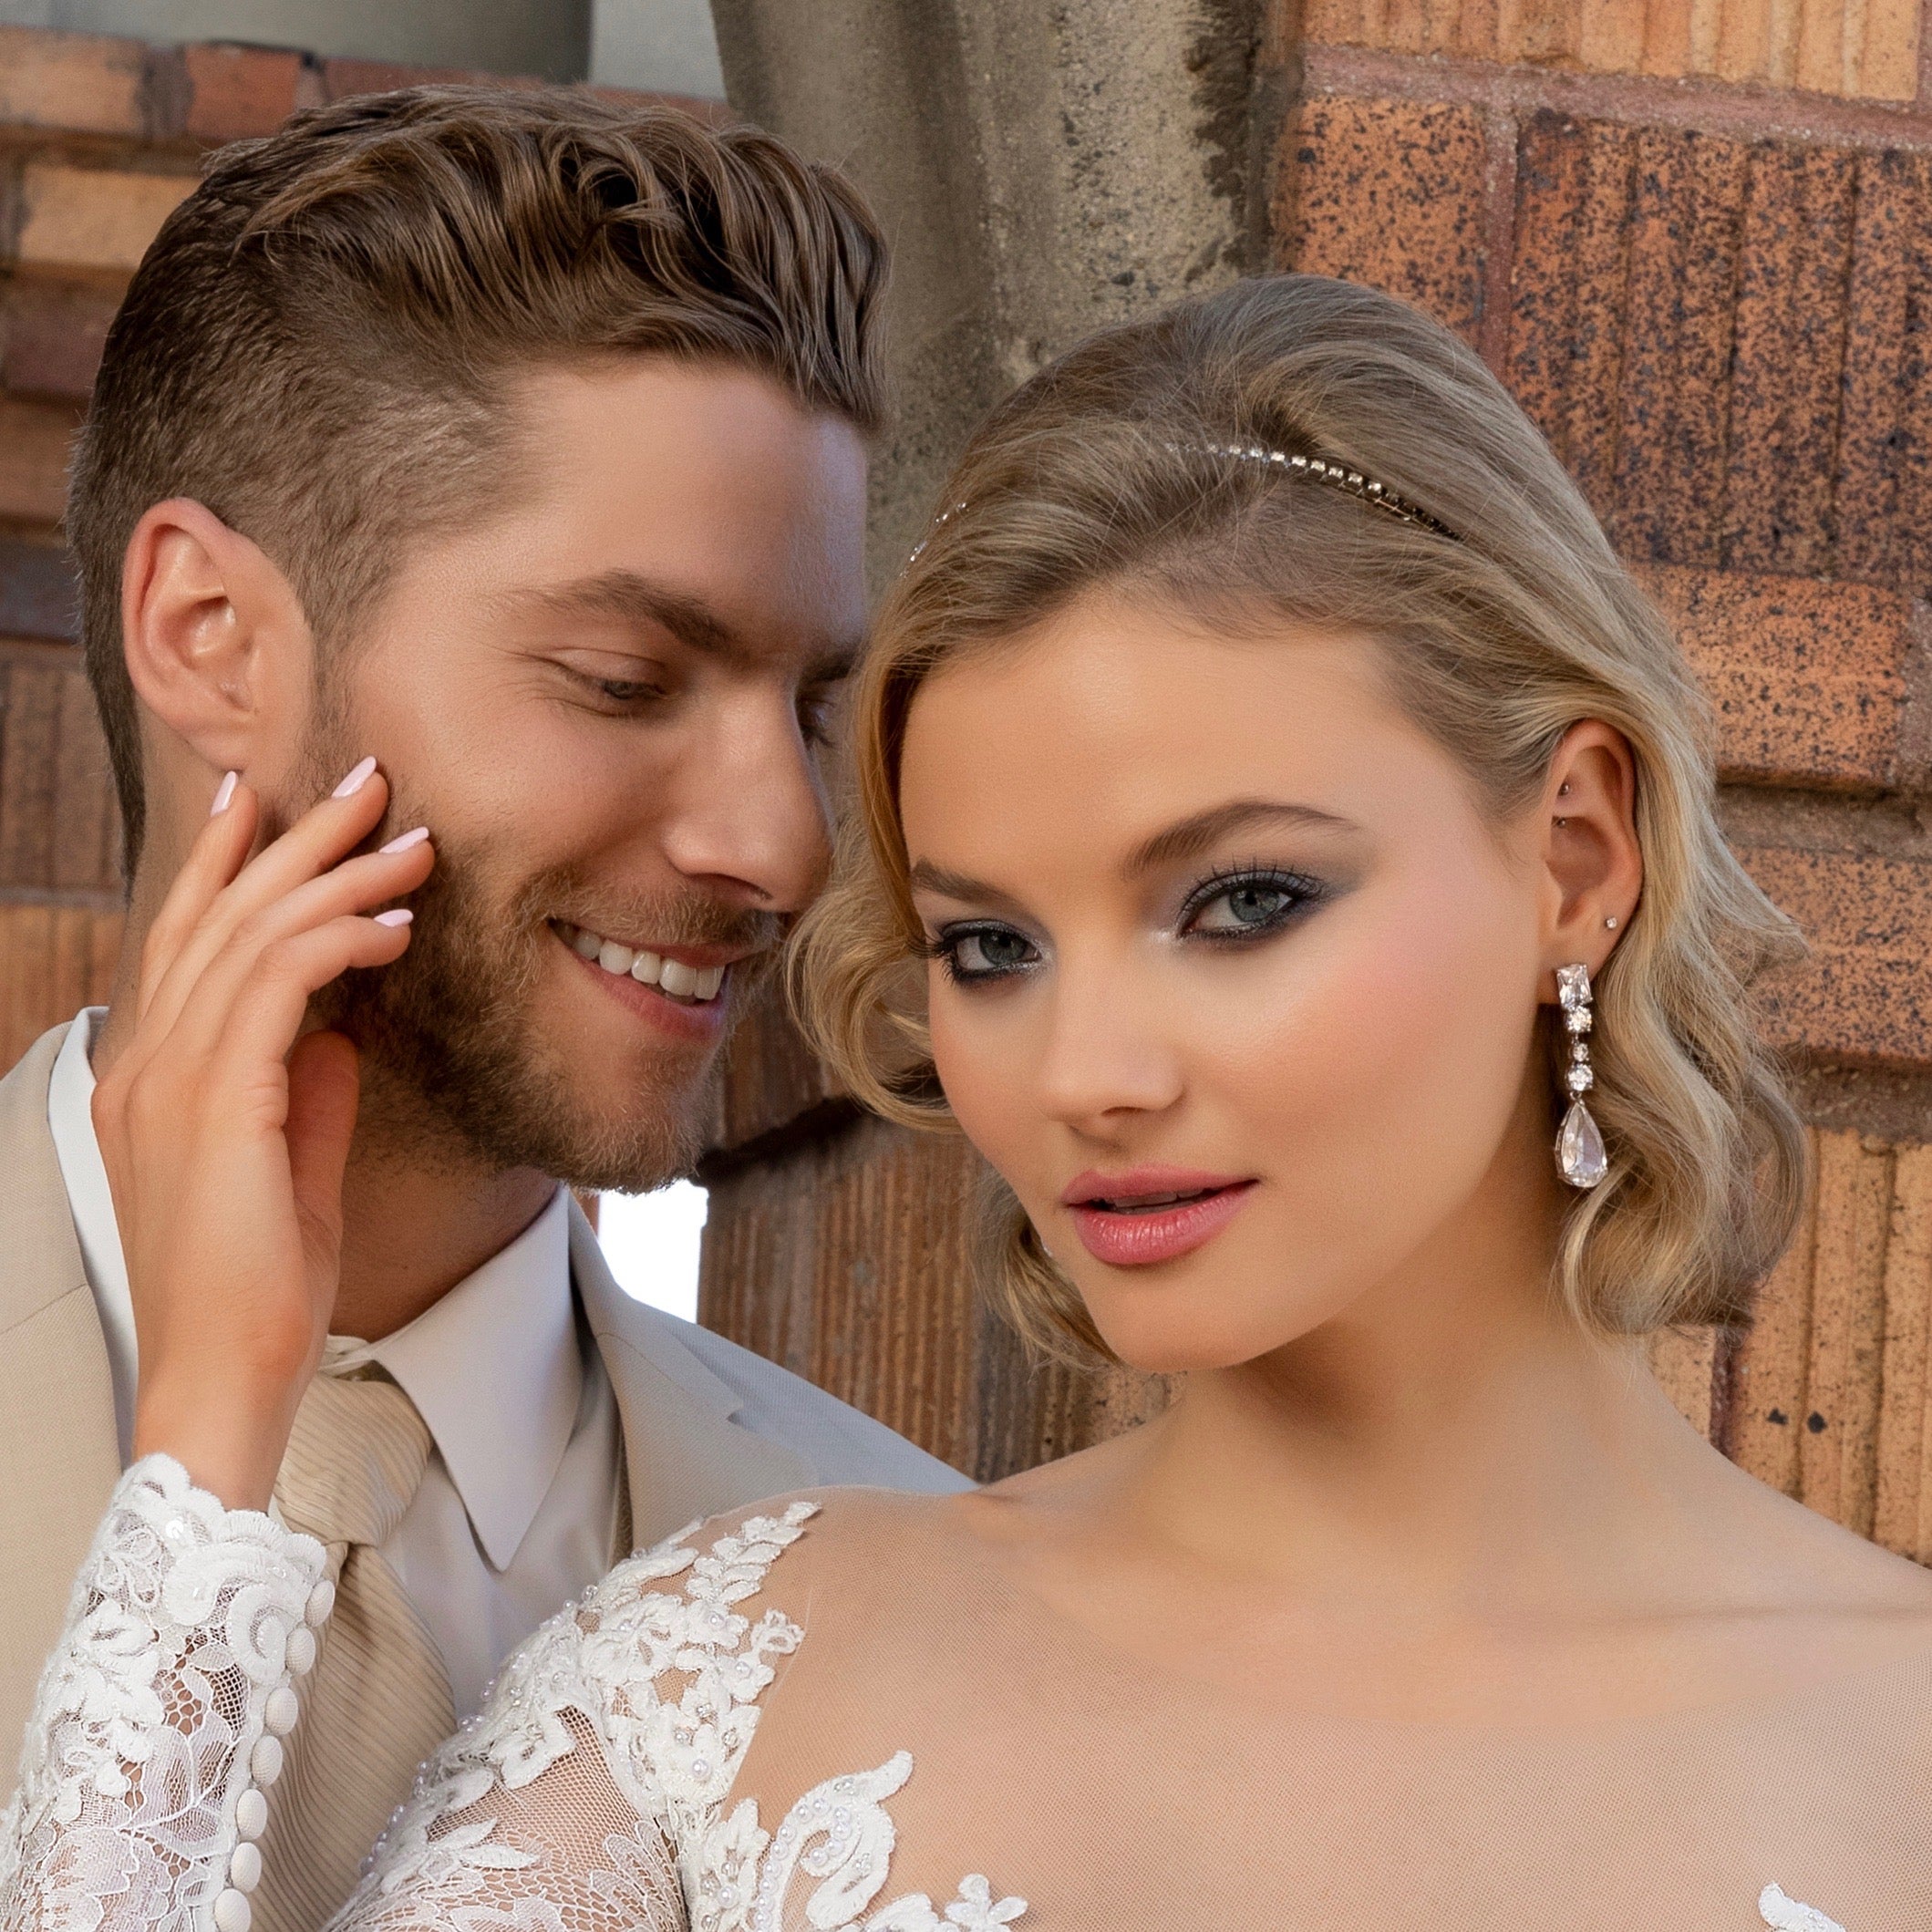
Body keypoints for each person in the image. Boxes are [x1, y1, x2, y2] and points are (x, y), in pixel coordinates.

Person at [10, 273, 1931, 1932]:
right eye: (992, 947)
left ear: (1572, 855)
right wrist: (212, 1430)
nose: (1085, 1074)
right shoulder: (729, 1672)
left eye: (1241, 900)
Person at [0, 82, 967, 1932]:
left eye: (812, 711)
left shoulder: (926, 1574)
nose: (779, 838)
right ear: (209, 633)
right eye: (621, 676)